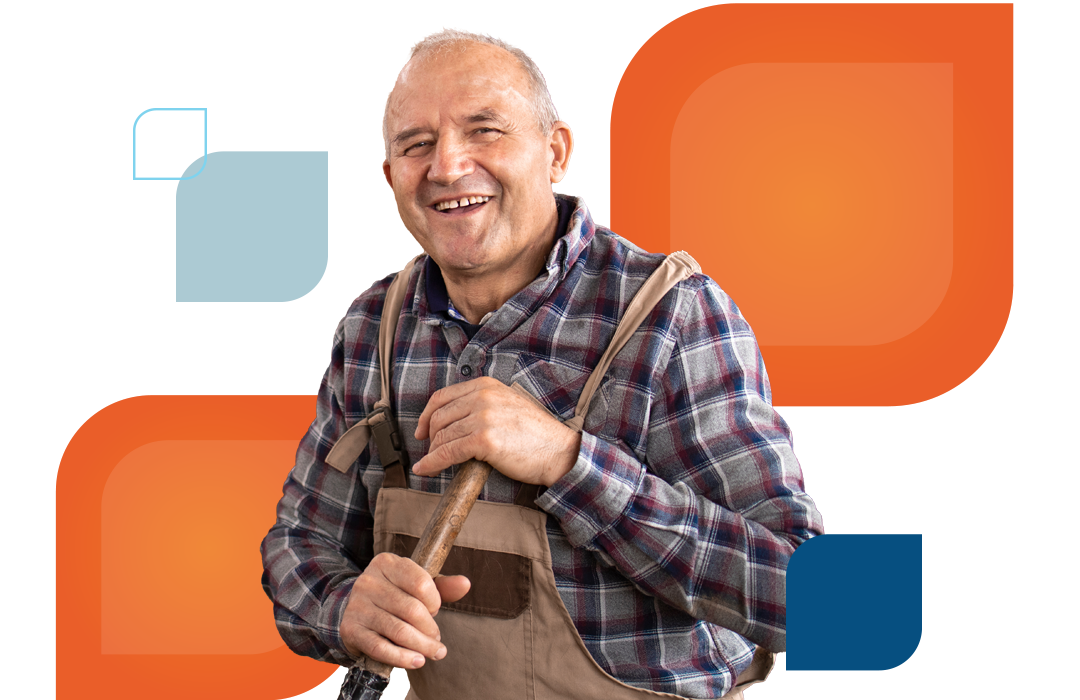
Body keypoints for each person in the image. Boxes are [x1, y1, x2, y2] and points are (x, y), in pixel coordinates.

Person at [261, 26, 824, 700]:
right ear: (391, 178)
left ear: (555, 151)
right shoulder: (374, 327)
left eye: (485, 130)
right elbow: (299, 542)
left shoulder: (671, 318)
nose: (445, 166)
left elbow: (823, 602)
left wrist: (570, 463)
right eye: (416, 145)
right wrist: (341, 607)